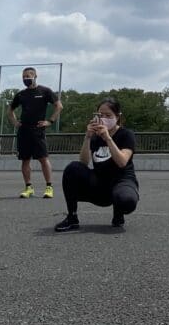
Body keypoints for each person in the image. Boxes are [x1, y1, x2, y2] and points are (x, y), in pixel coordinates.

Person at [54, 98, 139, 231]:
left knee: (126, 200)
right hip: (100, 183)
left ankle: (119, 212)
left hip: (121, 181)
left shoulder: (126, 134)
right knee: (73, 168)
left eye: (108, 115)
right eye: (100, 115)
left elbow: (122, 162)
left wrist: (108, 138)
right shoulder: (95, 137)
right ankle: (72, 217)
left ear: (117, 117)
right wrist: (87, 137)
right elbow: (83, 162)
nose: (104, 119)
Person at [8, 67, 62, 199]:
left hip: (38, 130)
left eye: (28, 76)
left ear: (35, 76)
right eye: (24, 77)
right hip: (24, 131)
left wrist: (50, 121)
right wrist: (15, 123)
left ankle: (49, 187)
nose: (26, 78)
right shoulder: (21, 94)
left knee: (43, 159)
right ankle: (28, 188)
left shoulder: (45, 91)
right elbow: (10, 110)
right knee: (25, 160)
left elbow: (59, 106)